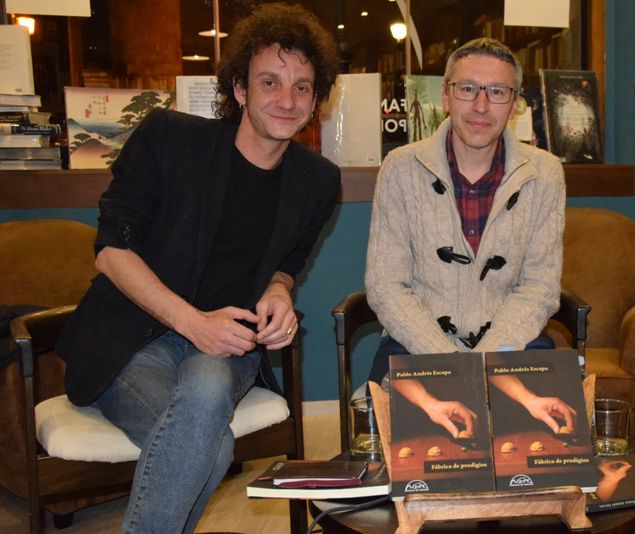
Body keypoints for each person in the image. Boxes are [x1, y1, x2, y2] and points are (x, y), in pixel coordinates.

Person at [55, 4, 340, 532]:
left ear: (316, 99)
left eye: (303, 87)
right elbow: (111, 250)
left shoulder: (317, 181)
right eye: (270, 82)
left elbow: (286, 264)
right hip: (133, 338)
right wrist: (192, 323)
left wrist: (279, 292)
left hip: (227, 343)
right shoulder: (170, 139)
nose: (286, 99)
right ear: (239, 89)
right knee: (209, 445)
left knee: (206, 398)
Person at [364, 37, 565, 384]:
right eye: (467, 89)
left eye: (498, 92)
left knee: (543, 431)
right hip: (414, 344)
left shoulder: (545, 173)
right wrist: (447, 361)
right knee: (408, 434)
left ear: (515, 103)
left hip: (513, 343)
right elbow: (386, 286)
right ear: (445, 95)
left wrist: (490, 358)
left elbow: (539, 287)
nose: (481, 106)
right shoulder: (400, 168)